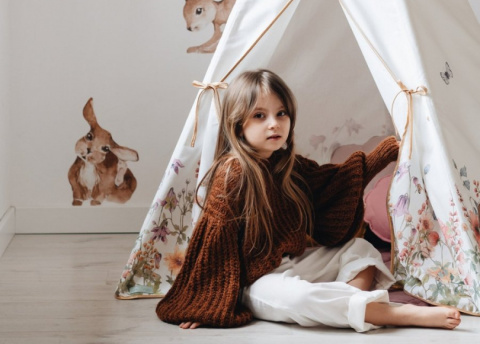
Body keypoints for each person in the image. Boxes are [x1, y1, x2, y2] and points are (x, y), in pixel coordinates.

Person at [156, 69, 461, 332]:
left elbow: (337, 182)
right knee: (298, 299)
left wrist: (385, 152)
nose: (274, 124)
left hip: (294, 262)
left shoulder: (289, 166)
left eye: (281, 113)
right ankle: (389, 313)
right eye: (259, 116)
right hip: (254, 280)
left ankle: (344, 300)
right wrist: (200, 303)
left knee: (360, 249)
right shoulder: (232, 173)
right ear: (238, 125)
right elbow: (212, 244)